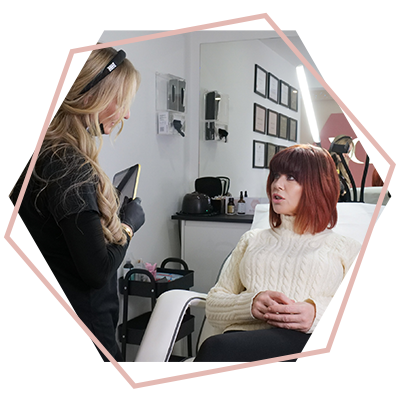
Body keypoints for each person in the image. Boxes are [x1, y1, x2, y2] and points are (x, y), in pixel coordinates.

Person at [7, 44, 145, 362]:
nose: (126, 114)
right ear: (90, 98)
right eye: (120, 102)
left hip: (43, 322)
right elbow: (96, 270)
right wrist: (128, 223)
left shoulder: (36, 154)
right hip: (79, 335)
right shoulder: (68, 165)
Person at [194, 144, 383, 363]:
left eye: (291, 177)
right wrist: (250, 304)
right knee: (219, 350)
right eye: (276, 175)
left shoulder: (346, 250)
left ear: (317, 186)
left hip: (312, 346)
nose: (277, 184)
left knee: (217, 350)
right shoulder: (252, 241)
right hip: (242, 341)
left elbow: (371, 334)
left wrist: (318, 318)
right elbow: (214, 305)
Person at [328, 135, 354, 202]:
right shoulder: (326, 165)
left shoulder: (341, 167)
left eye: (348, 152)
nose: (347, 155)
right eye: (346, 151)